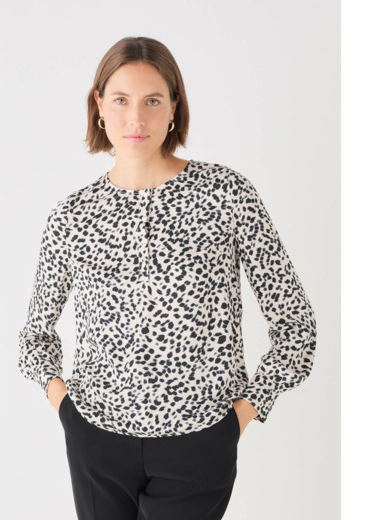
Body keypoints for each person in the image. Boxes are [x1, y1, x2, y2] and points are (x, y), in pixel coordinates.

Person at [18, 36, 317, 520]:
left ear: (175, 107)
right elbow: (34, 335)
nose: (136, 118)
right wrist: (69, 412)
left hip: (199, 444)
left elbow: (295, 325)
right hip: (96, 442)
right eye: (121, 100)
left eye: (153, 101)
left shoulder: (226, 195)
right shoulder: (72, 216)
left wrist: (240, 417)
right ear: (99, 106)